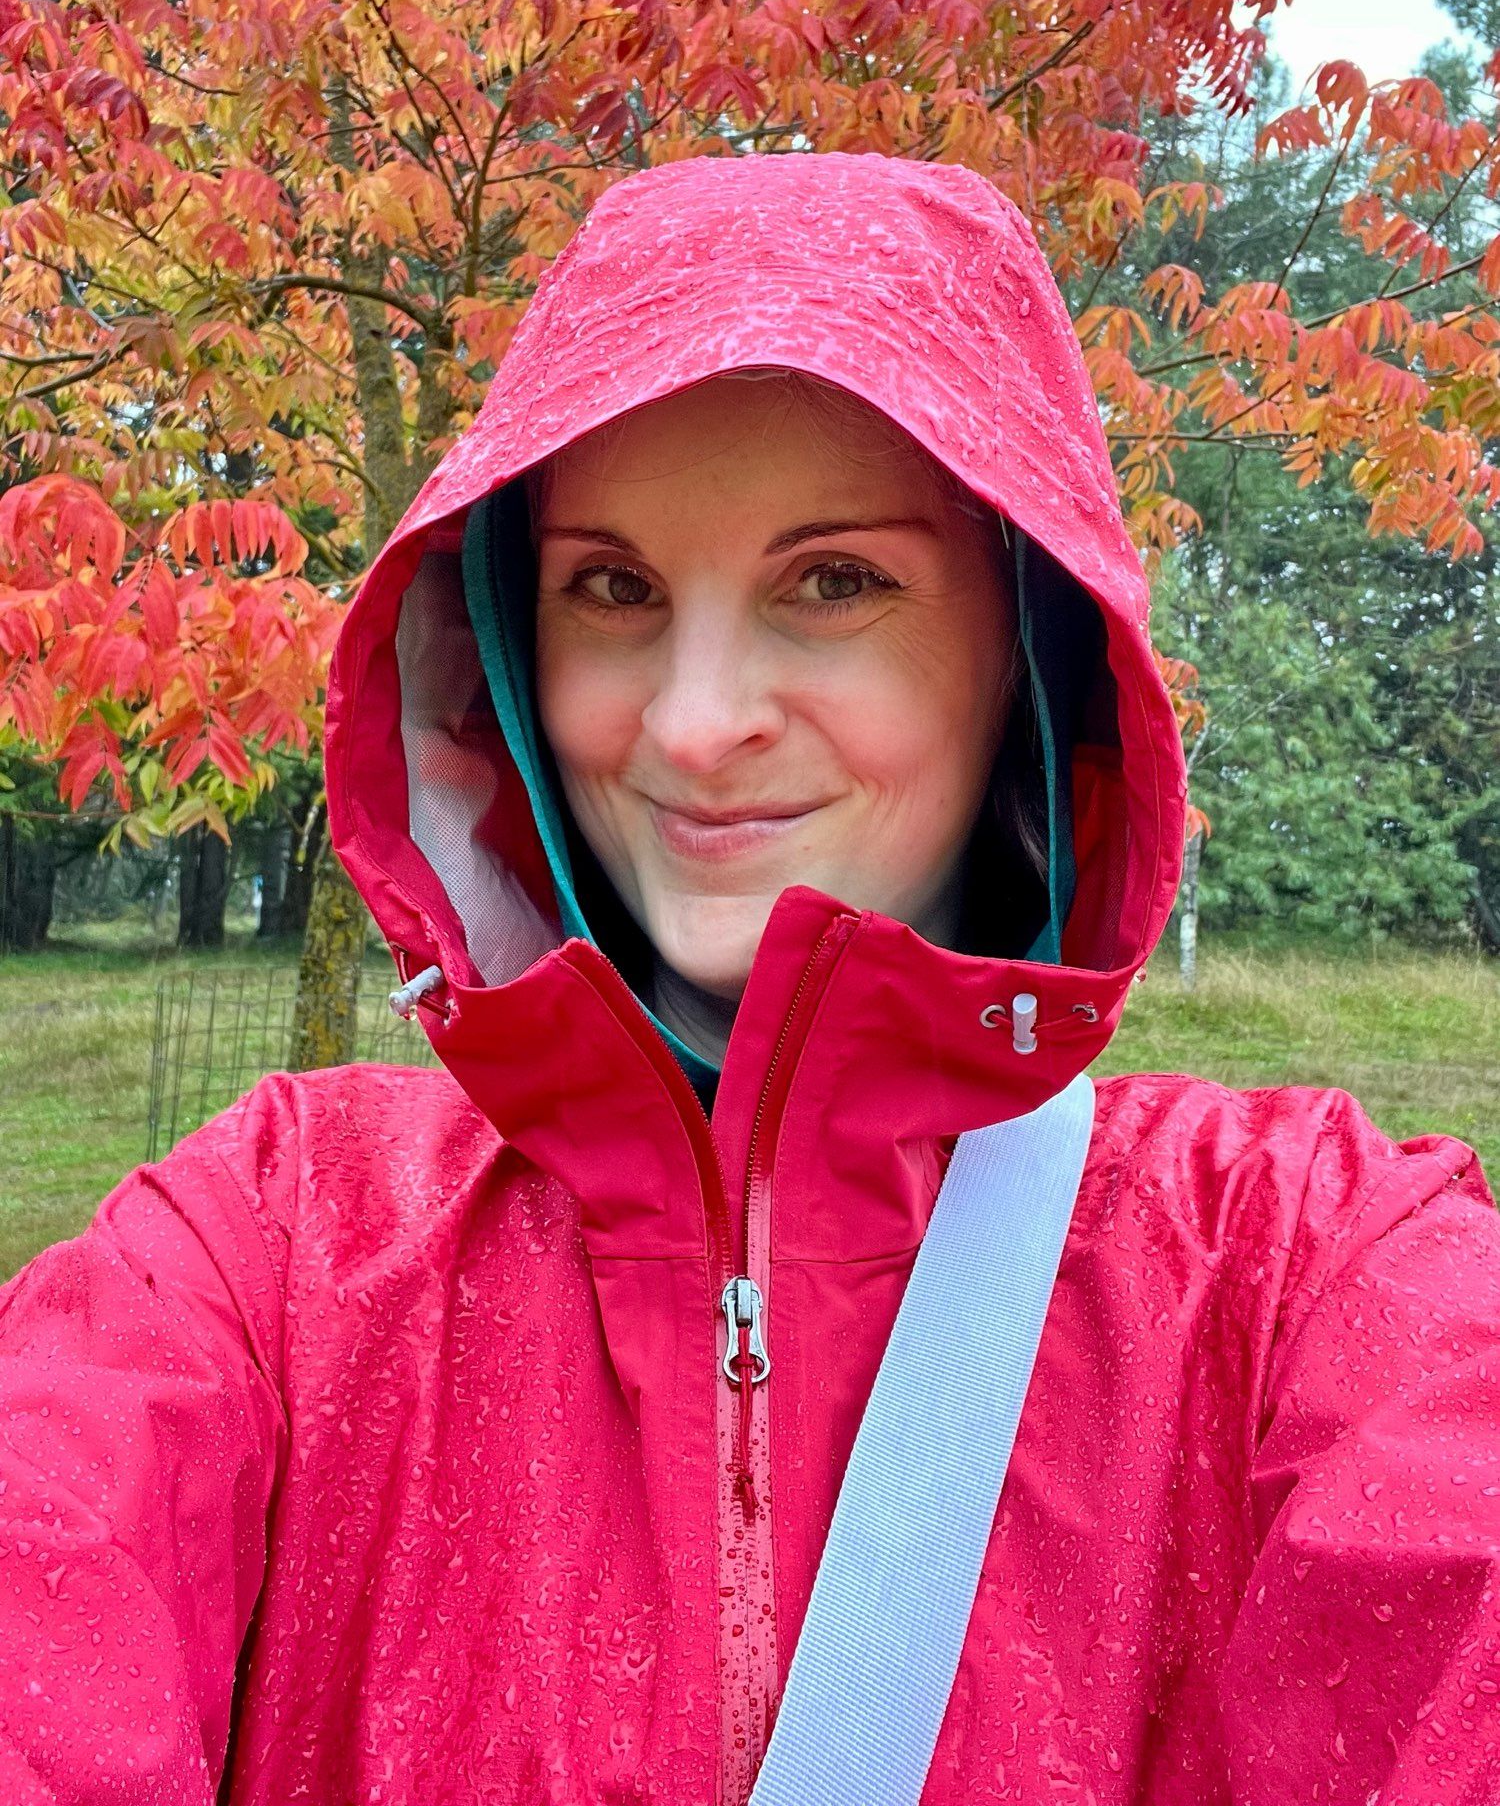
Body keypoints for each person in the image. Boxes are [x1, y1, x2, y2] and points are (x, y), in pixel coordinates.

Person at [1, 150, 1497, 1806]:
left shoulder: (1299, 1271)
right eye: (614, 590)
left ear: (1030, 643)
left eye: (834, 581)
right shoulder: (266, 1255)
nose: (697, 723)